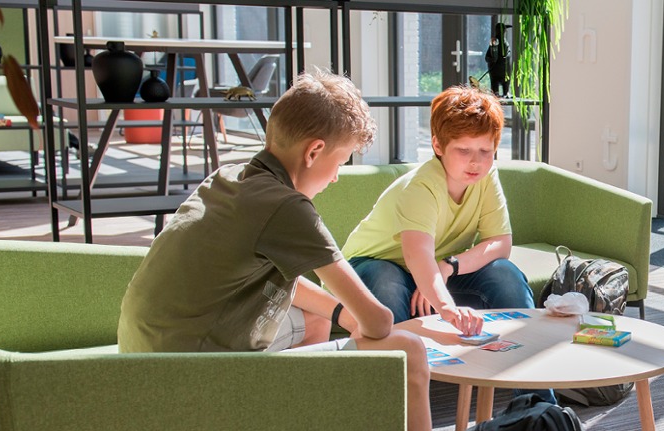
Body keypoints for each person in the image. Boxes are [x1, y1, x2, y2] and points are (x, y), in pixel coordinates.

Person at [117, 70, 432, 431]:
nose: (336, 177)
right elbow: (379, 322)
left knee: (318, 317)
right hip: (196, 380)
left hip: (143, 364)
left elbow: (277, 280)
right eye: (340, 162)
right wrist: (360, 320)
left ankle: (285, 414)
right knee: (410, 350)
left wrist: (341, 314)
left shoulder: (228, 178)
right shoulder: (287, 207)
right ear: (314, 151)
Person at [342, 85, 555, 403]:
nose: (476, 162)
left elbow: (500, 244)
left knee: (505, 274)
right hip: (376, 265)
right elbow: (418, 258)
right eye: (464, 150)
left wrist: (449, 266)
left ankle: (540, 406)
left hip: (436, 267)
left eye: (485, 151)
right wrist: (448, 309)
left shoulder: (486, 177)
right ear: (438, 145)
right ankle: (393, 404)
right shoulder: (421, 187)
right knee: (386, 283)